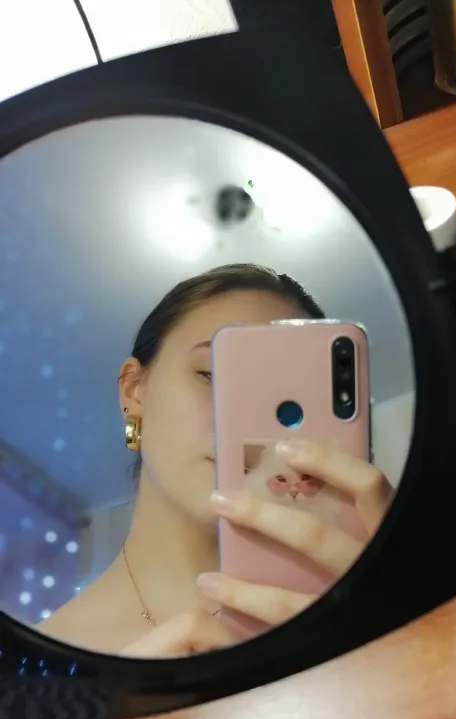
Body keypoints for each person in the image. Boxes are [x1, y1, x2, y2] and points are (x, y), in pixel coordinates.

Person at [38, 264, 393, 656]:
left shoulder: (362, 613)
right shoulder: (35, 664)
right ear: (134, 391)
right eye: (213, 374)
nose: (244, 420)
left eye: (286, 403)